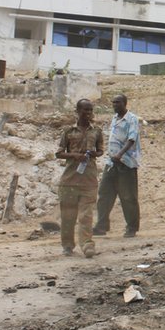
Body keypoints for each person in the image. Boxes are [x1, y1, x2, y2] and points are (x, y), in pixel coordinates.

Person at [55, 98, 104, 258]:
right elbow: (59, 153)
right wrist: (75, 156)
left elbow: (101, 150)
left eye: (90, 110)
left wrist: (92, 154)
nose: (88, 113)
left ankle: (87, 244)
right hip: (69, 180)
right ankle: (67, 245)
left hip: (89, 180)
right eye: (85, 110)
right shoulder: (69, 131)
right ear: (77, 111)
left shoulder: (96, 131)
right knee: (68, 216)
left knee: (86, 216)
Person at [93, 94, 141, 238]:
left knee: (128, 197)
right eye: (113, 103)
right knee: (104, 194)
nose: (115, 105)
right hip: (111, 163)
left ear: (125, 103)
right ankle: (101, 226)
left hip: (126, 163)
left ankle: (132, 227)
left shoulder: (132, 119)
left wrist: (120, 154)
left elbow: (132, 139)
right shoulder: (115, 119)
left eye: (117, 102)